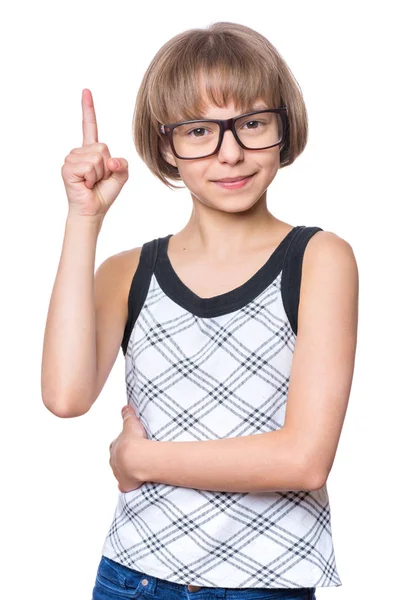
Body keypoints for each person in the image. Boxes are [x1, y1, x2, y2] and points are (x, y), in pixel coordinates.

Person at [41, 21, 358, 600]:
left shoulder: (319, 260)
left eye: (253, 123)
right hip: (131, 577)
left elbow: (304, 460)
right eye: (198, 131)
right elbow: (65, 396)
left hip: (265, 586)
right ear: (167, 145)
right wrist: (84, 220)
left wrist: (142, 457)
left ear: (283, 130)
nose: (230, 152)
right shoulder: (128, 271)